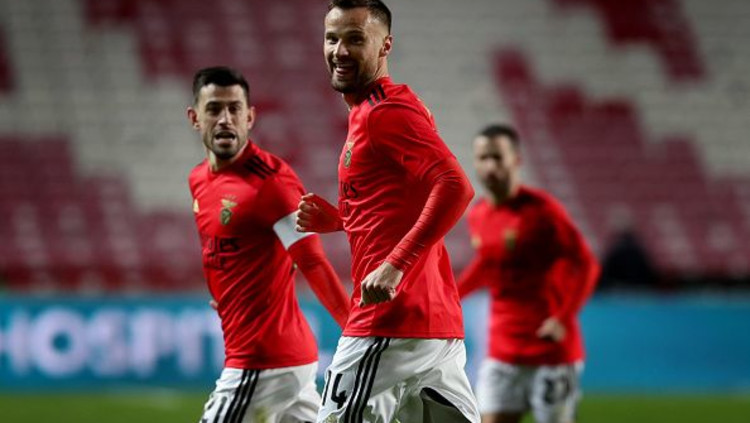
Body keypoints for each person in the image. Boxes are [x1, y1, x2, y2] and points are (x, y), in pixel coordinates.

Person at [296, 1, 480, 422]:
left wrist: (396, 265)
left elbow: (455, 187)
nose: (340, 51)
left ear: (385, 46)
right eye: (331, 38)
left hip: (387, 324)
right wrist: (342, 220)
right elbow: (403, 200)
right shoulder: (378, 109)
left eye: (355, 39)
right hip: (433, 327)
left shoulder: (385, 113)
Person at [187, 66, 350, 423]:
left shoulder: (271, 183)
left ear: (250, 117)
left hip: (263, 358)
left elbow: (312, 261)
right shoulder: (198, 179)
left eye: (234, 109)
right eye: (214, 109)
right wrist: (226, 293)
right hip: (286, 357)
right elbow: (229, 250)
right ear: (195, 118)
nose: (225, 119)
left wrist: (356, 331)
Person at [457, 124, 600, 423]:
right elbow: (487, 263)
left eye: (498, 157)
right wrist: (451, 296)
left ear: (516, 160)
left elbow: (586, 263)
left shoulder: (543, 211)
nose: (490, 166)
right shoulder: (478, 214)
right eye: (483, 158)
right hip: (502, 347)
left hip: (549, 349)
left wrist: (562, 318)